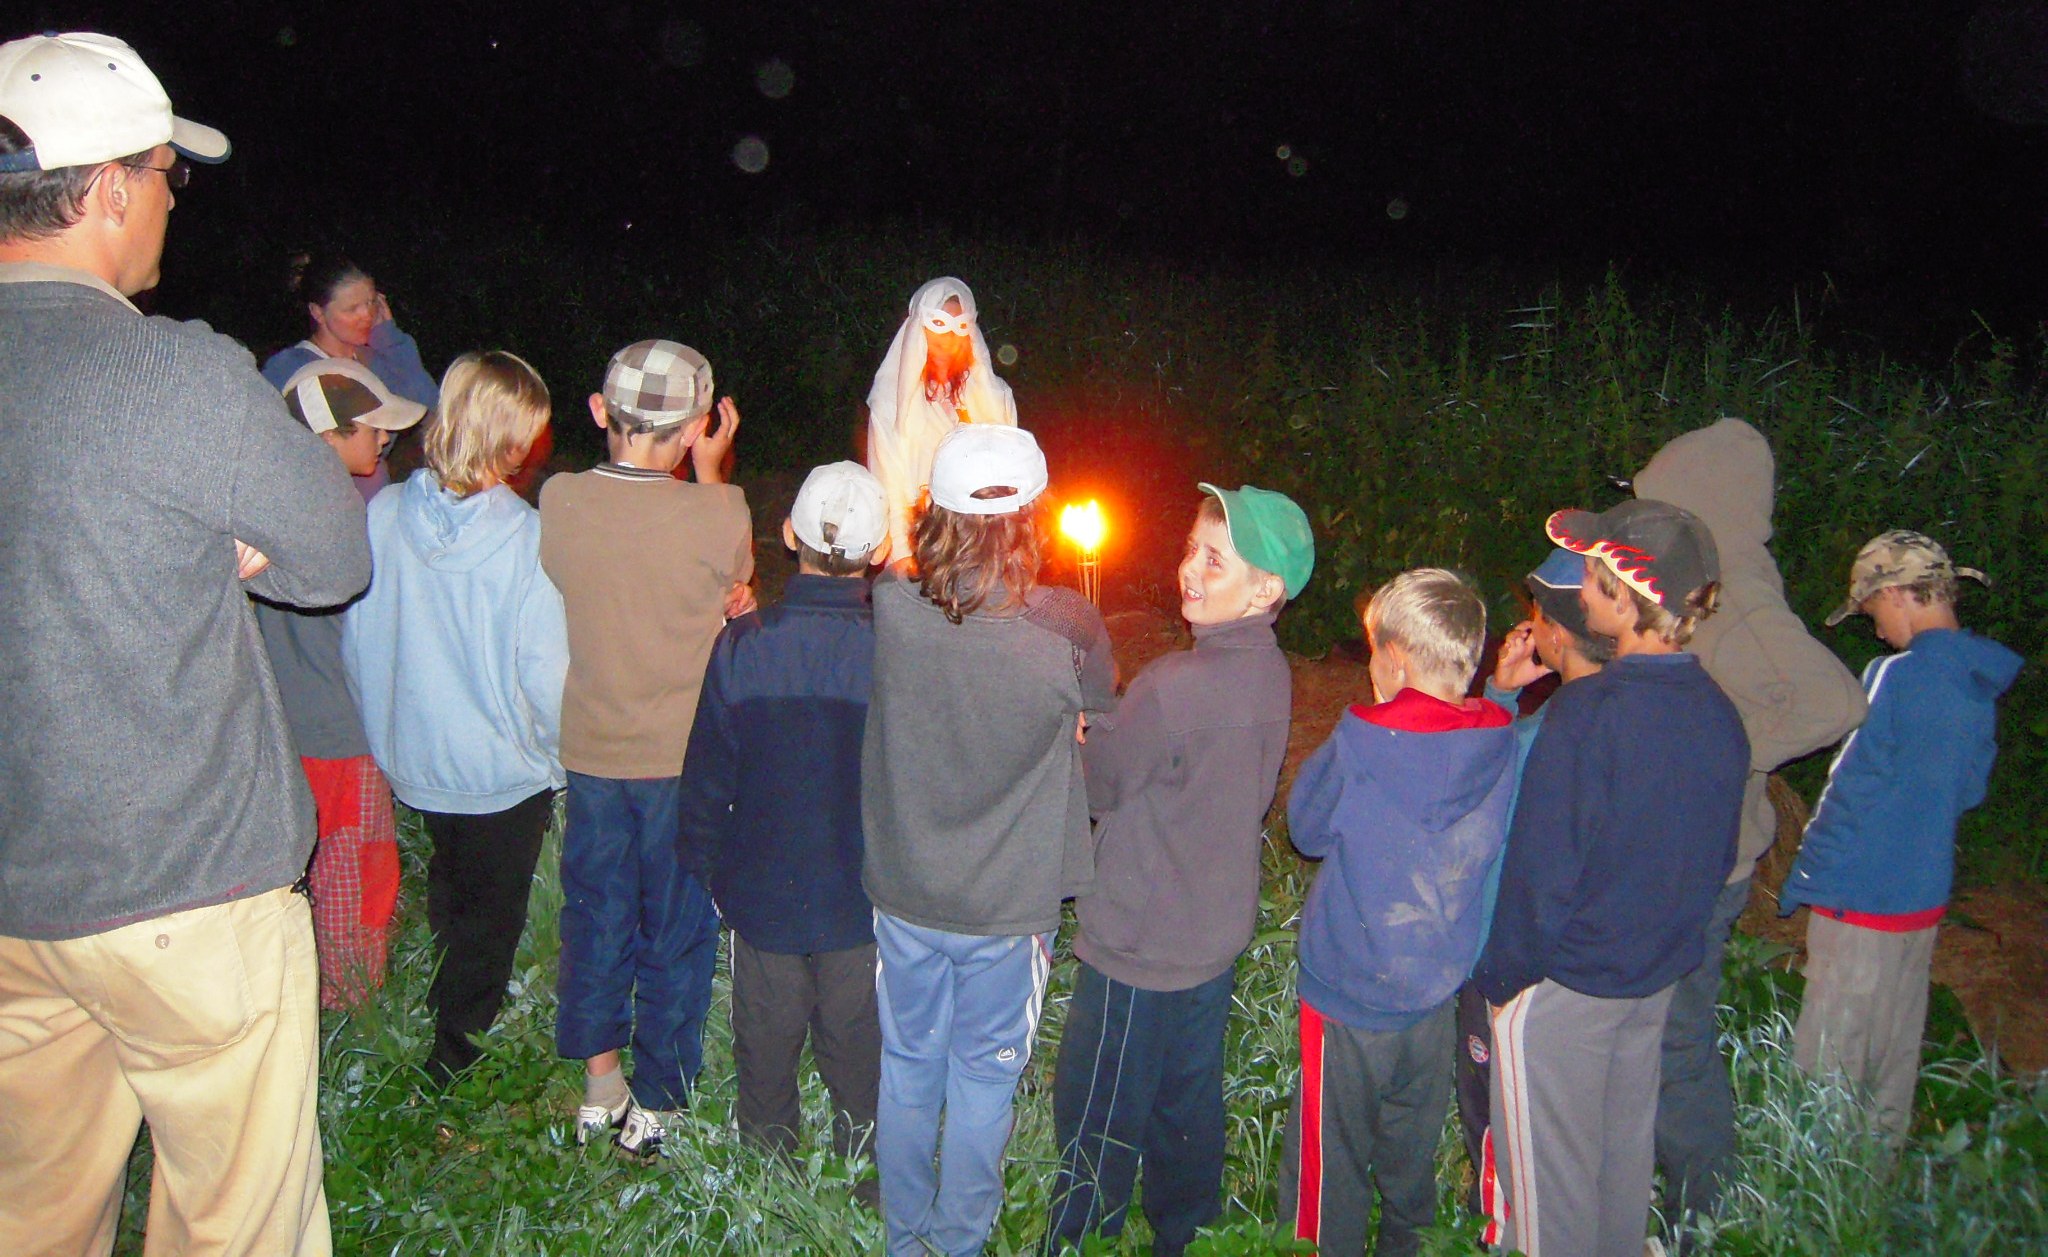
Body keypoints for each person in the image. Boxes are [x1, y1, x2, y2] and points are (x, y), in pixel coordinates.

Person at [0, 30, 367, 1255]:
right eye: (167, 175)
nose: (172, 199)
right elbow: (333, 559)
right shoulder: (173, 376)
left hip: (14, 895)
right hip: (185, 893)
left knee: (28, 1212)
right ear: (109, 190)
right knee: (238, 1224)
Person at [862, 425, 1115, 1257]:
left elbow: (916, 584)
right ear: (1034, 518)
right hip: (1007, 907)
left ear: (932, 511)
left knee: (909, 1065)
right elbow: (1100, 713)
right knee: (981, 1081)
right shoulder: (1067, 630)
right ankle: (958, 1241)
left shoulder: (891, 605)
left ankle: (906, 1239)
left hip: (906, 889)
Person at [1474, 501, 1749, 1257]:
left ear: (1625, 599)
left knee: (1547, 1204)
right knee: (1617, 1172)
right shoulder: (1719, 713)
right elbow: (1715, 858)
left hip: (1566, 991)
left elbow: (1540, 873)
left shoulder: (1588, 712)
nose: (1583, 591)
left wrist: (1502, 981)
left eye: (1593, 577)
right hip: (1649, 985)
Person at [1045, 483, 1314, 1256]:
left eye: (1214, 559)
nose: (1190, 568)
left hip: (1138, 947)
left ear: (1265, 589)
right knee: (1186, 1111)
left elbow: (1100, 784)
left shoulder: (1173, 685)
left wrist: (1090, 728)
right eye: (1192, 548)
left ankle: (1078, 1241)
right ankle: (1187, 1236)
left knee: (1096, 1121)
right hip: (1209, 940)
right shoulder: (1271, 674)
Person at [1631, 418, 1867, 1232]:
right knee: (1657, 1028)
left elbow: (1836, 701)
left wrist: (1722, 750)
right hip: (1689, 845)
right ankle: (1665, 1186)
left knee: (1675, 1039)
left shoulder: (1738, 590)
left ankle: (1703, 1215)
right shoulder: (1707, 570)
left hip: (1705, 859)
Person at [538, 339, 751, 1158]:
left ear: (599, 410)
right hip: (681, 764)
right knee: (676, 925)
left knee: (595, 913)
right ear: (697, 427)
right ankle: (660, 1098)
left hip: (593, 753)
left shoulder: (560, 499)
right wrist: (713, 469)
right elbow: (733, 580)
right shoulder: (717, 511)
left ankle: (600, 1084)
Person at [340, 350, 567, 1084]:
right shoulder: (527, 538)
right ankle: (456, 1052)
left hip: (419, 754)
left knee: (450, 880)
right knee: (491, 914)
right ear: (511, 438)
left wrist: (386, 732)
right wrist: (558, 757)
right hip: (502, 771)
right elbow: (546, 674)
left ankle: (444, 997)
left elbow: (358, 641)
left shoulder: (382, 514)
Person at [1278, 569, 1517, 1257]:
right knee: (1410, 1164)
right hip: (1434, 997)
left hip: (1349, 996)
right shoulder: (1500, 738)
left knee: (1330, 1166)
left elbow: (1306, 828)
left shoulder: (1362, 740)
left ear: (1396, 659)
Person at [679, 462, 889, 1181]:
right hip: (862, 899)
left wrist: (707, 868)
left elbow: (707, 774)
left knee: (765, 1043)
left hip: (762, 894)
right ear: (880, 551)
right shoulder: (893, 652)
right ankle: (866, 1175)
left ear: (789, 535)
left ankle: (768, 1179)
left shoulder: (744, 645)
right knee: (859, 1047)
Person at [1781, 531, 2019, 1141]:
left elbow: (1848, 783)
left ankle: (1813, 1188)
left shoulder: (1896, 674)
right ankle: (1874, 1182)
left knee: (1827, 1071)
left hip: (1859, 896)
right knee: (1890, 1064)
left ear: (1896, 594)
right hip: (1921, 899)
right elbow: (1970, 789)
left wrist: (1805, 873)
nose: (1878, 630)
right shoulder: (1977, 680)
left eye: (1872, 612)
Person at [258, 359, 427, 1010]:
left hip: (285, 725)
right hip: (339, 728)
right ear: (329, 436)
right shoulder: (334, 516)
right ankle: (352, 1004)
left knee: (307, 865)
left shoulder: (268, 506)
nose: (386, 438)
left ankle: (301, 986)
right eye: (373, 428)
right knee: (355, 867)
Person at [1457, 548, 1615, 1245]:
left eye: (1536, 613)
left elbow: (1468, 779)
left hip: (1510, 964)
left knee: (1495, 1117)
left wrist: (1496, 695)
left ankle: (1502, 1232)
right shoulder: (1628, 717)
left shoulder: (1542, 737)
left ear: (1557, 629)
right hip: (1596, 970)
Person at [262, 252, 440, 503]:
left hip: (374, 505)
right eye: (352, 308)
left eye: (371, 302)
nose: (366, 315)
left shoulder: (375, 360)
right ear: (318, 312)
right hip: (318, 506)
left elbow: (428, 408)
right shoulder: (291, 369)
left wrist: (390, 339)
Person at [864, 276, 1018, 559]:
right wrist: (903, 558)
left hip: (986, 549)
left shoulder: (995, 396)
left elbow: (1013, 477)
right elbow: (890, 490)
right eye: (939, 325)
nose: (949, 339)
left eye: (960, 328)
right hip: (926, 549)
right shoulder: (891, 404)